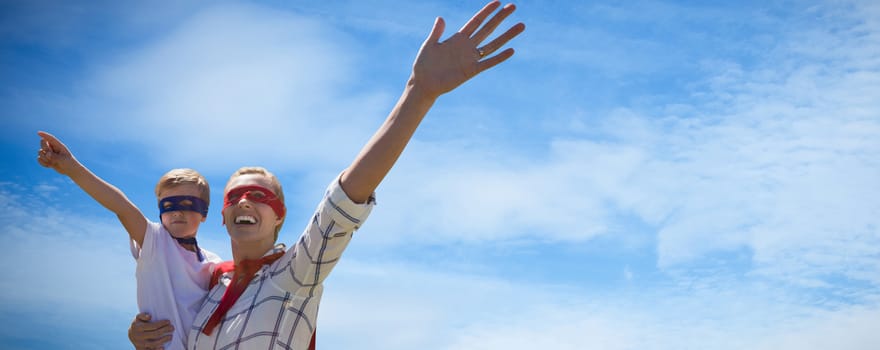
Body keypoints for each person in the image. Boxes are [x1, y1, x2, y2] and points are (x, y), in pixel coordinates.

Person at [128, 1, 525, 349]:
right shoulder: (207, 291)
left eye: (259, 196)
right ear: (222, 217)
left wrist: (418, 93)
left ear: (280, 215)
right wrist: (141, 335)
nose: (245, 200)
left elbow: (343, 203)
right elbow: (168, 318)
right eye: (234, 197)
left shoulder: (293, 276)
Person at [36, 131, 223, 350]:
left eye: (188, 204)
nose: (177, 213)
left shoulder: (214, 263)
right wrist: (72, 168)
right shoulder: (155, 241)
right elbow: (121, 206)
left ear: (205, 213)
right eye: (168, 206)